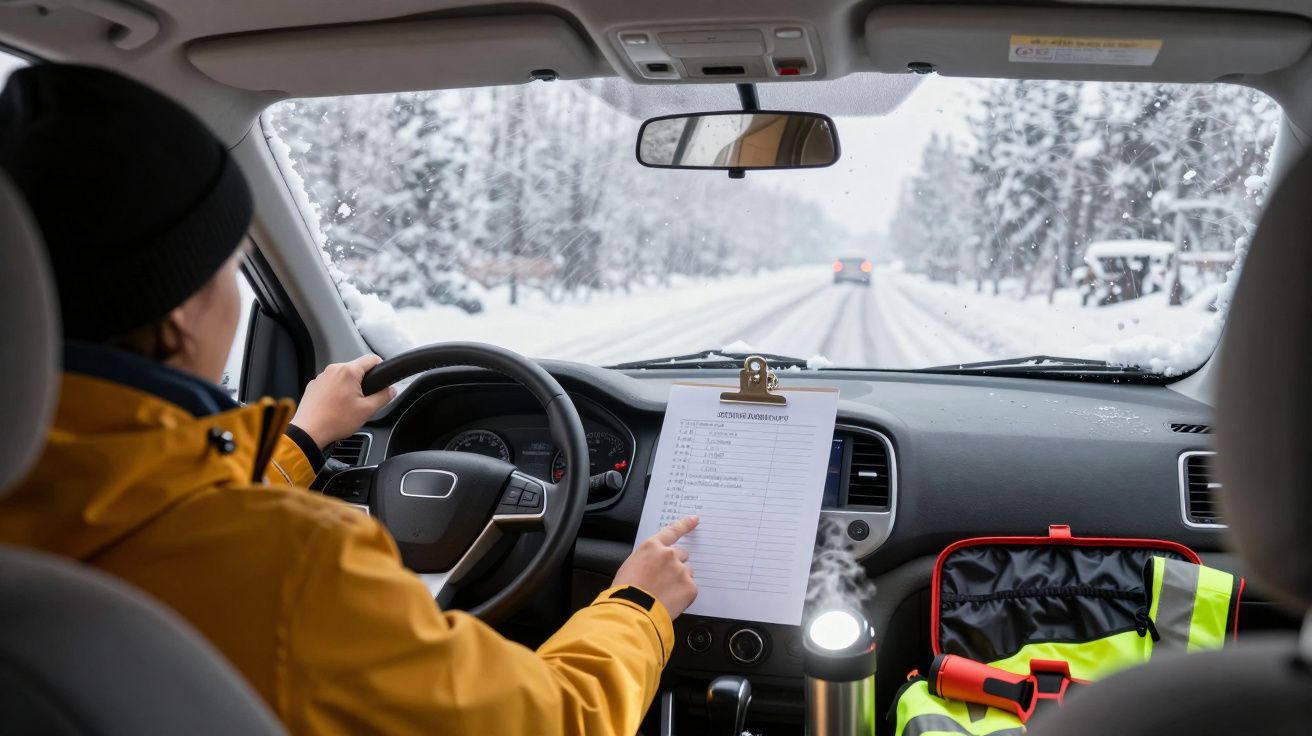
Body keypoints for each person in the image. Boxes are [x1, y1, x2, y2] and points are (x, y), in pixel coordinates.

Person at [0, 63, 698, 735]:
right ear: (180, 312)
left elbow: (142, 512)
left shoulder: (45, 504)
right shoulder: (297, 569)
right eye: (230, 271)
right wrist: (638, 605)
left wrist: (303, 440)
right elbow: (549, 720)